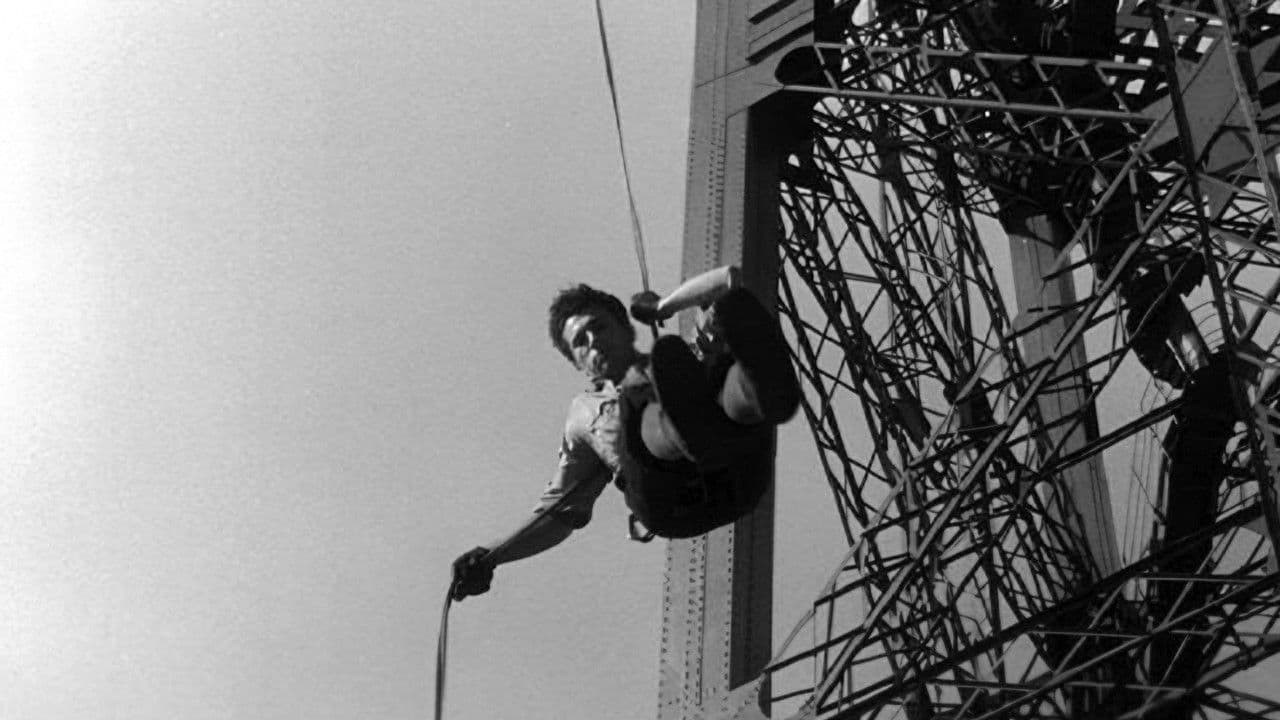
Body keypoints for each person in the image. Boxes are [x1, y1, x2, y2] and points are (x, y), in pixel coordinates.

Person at [450, 265, 800, 601]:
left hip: (738, 476)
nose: (594, 343)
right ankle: (685, 431)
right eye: (581, 343)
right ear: (577, 363)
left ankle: (756, 389)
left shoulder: (679, 366)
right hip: (675, 501)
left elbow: (727, 281)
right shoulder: (583, 415)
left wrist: (664, 306)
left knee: (717, 361)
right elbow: (558, 516)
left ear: (622, 326)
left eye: (598, 328)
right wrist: (492, 555)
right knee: (641, 397)